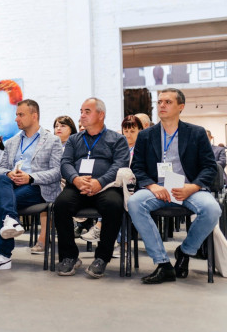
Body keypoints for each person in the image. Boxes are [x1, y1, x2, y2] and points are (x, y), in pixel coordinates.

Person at [128, 89, 221, 284]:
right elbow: (137, 167)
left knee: (212, 209)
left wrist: (193, 187)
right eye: (160, 101)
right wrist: (152, 186)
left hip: (188, 188)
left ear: (181, 107)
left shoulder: (196, 133)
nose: (162, 105)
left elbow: (209, 167)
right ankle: (163, 263)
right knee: (135, 202)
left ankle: (185, 252)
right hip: (158, 188)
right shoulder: (146, 135)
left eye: (168, 102)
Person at [0, 100, 62, 270]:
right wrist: (9, 173)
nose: (16, 119)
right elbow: (1, 168)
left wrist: (30, 177)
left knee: (3, 203)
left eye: (21, 115)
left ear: (34, 116)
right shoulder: (12, 142)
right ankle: (11, 222)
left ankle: (3, 255)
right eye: (16, 115)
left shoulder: (52, 141)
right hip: (12, 185)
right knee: (1, 178)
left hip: (38, 187)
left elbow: (57, 172)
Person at [54, 98, 130, 278]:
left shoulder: (117, 139)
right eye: (81, 111)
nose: (82, 115)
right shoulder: (74, 139)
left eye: (87, 111)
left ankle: (102, 258)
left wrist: (99, 182)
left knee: (114, 205)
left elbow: (120, 164)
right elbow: (65, 163)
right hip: (78, 186)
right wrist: (76, 179)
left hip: (106, 187)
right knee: (61, 204)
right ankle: (69, 256)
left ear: (101, 115)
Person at [80, 115, 144, 244]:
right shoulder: (117, 146)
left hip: (135, 186)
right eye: (126, 131)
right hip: (115, 185)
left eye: (132, 131)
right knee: (113, 198)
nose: (128, 135)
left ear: (140, 131)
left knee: (119, 196)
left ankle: (102, 228)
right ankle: (117, 241)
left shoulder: (143, 148)